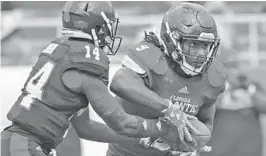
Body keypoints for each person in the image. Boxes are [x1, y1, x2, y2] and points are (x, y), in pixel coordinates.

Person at [1, 2, 195, 156]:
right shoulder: (87, 59)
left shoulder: (62, 51)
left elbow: (86, 128)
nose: (110, 34)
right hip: (26, 145)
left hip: (17, 142)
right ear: (97, 27)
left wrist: (140, 139)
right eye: (108, 27)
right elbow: (120, 121)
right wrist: (162, 128)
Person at [105, 2, 226, 156]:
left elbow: (206, 123)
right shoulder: (151, 56)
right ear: (172, 40)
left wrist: (190, 143)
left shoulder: (213, 75)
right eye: (194, 44)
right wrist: (169, 109)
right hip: (126, 153)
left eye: (206, 46)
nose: (202, 53)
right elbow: (119, 83)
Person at [201, 62, 266, 156]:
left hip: (249, 151)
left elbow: (264, 106)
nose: (233, 73)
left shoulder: (252, 86)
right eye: (229, 69)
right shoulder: (213, 88)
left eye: (235, 68)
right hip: (217, 150)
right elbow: (203, 109)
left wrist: (249, 88)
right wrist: (224, 88)